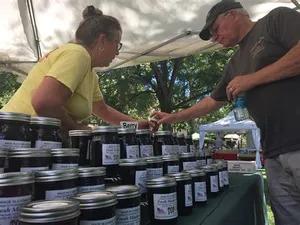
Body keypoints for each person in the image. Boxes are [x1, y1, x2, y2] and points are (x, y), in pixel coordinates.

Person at [151, 1, 300, 224]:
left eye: (215, 28)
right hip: (272, 152)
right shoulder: (235, 63)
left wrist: (252, 80)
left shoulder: (275, 20)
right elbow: (212, 102)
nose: (214, 37)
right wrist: (172, 117)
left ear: (232, 14)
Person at [1, 5, 152, 134]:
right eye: (117, 44)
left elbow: (103, 111)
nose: (117, 52)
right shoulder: (78, 54)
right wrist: (77, 129)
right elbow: (44, 102)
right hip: (13, 137)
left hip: (24, 136)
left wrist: (136, 125)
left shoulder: (90, 73)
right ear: (102, 40)